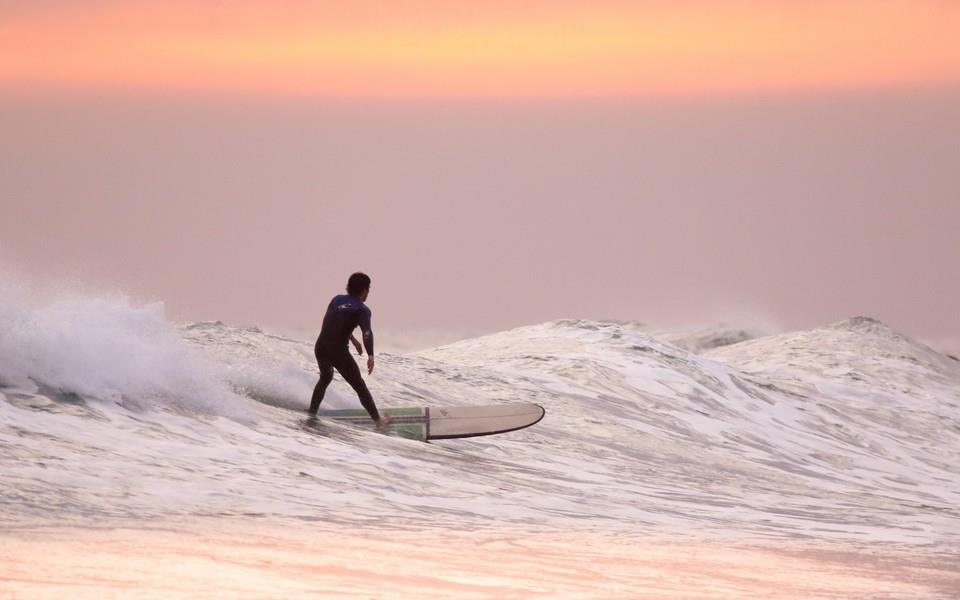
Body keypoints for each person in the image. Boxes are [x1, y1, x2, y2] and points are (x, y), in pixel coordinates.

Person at [309, 272, 393, 427]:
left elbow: (334, 324)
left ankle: (311, 413)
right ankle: (378, 421)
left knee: (325, 378)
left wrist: (353, 339)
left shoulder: (336, 300)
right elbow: (367, 332)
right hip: (338, 352)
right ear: (365, 290)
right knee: (359, 386)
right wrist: (371, 355)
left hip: (320, 347)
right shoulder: (362, 309)